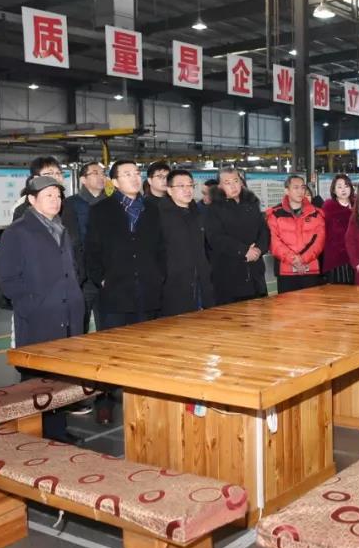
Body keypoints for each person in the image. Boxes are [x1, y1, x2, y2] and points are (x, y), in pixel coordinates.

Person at [0, 175, 85, 441]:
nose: (56, 201)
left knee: (60, 378)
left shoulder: (60, 228)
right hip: (39, 317)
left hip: (67, 314)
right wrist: (31, 306)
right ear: (32, 200)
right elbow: (8, 279)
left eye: (58, 196)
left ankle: (57, 431)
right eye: (49, 196)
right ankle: (33, 435)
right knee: (35, 381)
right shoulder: (18, 232)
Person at [85, 160, 165, 424]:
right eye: (127, 174)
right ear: (115, 182)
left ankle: (144, 402)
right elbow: (91, 250)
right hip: (115, 290)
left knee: (146, 350)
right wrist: (101, 278)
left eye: (136, 173)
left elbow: (161, 248)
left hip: (147, 289)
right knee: (111, 351)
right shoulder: (101, 210)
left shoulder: (151, 209)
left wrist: (158, 275)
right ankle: (105, 401)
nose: (134, 177)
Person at [206, 168, 269, 305]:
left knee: (261, 311)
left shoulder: (252, 204)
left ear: (241, 182)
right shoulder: (213, 209)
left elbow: (264, 231)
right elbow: (216, 238)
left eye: (236, 181)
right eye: (227, 183)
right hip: (229, 274)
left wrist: (259, 249)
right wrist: (244, 250)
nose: (233, 186)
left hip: (255, 272)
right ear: (220, 186)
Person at [158, 170, 214, 315]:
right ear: (169, 190)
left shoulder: (198, 214)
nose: (187, 190)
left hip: (201, 283)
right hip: (174, 286)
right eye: (181, 186)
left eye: (190, 185)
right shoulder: (160, 216)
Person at [65, 161, 108, 331]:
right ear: (83, 179)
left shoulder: (112, 203)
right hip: (84, 277)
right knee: (79, 323)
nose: (101, 177)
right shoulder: (71, 204)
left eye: (103, 173)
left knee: (108, 324)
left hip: (107, 274)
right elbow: (72, 241)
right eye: (95, 173)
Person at [266, 174, 325, 293]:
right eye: (296, 187)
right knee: (287, 304)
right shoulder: (275, 214)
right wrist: (293, 260)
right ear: (286, 191)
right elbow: (274, 242)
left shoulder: (316, 214)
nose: (300, 191)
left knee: (312, 303)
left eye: (302, 187)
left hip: (310, 269)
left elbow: (319, 241)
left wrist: (302, 259)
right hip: (285, 271)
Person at [322, 174, 356, 284]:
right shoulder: (328, 208)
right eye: (339, 187)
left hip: (355, 256)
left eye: (346, 186)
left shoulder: (358, 206)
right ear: (334, 190)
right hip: (336, 258)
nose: (343, 190)